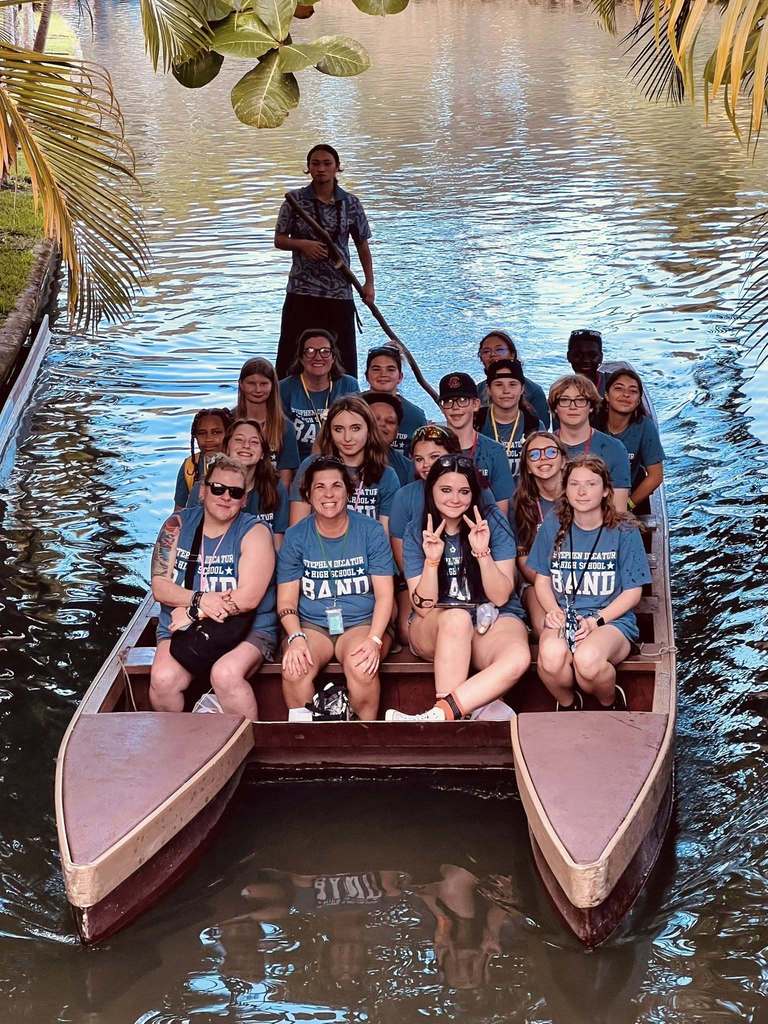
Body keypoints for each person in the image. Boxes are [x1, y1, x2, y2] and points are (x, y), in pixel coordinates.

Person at [386, 454, 530, 722]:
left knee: (518, 657)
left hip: (491, 619)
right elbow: (423, 605)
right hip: (438, 625)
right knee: (457, 617)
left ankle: (440, 716)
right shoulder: (419, 529)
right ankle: (475, 709)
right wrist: (432, 560)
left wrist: (482, 552)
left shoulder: (493, 524)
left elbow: (500, 596)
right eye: (446, 490)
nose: (455, 499)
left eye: (464, 491)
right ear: (431, 490)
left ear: (474, 493)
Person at [150, 455, 277, 719]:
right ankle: (182, 746)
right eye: (218, 489)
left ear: (244, 500)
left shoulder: (255, 532)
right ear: (203, 491)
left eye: (235, 492)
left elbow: (249, 598)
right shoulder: (176, 525)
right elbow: (160, 587)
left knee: (225, 675)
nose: (225, 497)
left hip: (246, 627)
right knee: (163, 680)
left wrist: (196, 610)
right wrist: (200, 600)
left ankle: (246, 748)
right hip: (181, 626)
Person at [527, 455, 651, 711]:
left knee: (588, 661)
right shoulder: (553, 524)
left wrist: (597, 621)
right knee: (549, 658)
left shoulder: (624, 530)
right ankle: (571, 704)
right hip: (567, 615)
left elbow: (632, 592)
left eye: (591, 484)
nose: (582, 492)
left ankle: (608, 703)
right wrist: (553, 610)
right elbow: (542, 580)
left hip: (610, 620)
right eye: (574, 484)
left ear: (606, 490)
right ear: (566, 489)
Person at [277, 456, 394, 721]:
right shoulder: (296, 535)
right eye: (320, 487)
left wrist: (375, 640)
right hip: (312, 625)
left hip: (361, 623)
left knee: (361, 665)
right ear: (307, 494)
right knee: (295, 668)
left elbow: (385, 596)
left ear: (348, 492)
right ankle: (306, 742)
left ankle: (363, 739)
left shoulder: (371, 531)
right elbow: (286, 601)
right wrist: (295, 638)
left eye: (336, 486)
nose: (328, 494)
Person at [274, 144, 374, 378]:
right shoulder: (294, 201)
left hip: (339, 291)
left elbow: (362, 244)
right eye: (315, 163)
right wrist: (302, 245)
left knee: (342, 356)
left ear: (337, 168)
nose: (321, 169)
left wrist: (369, 283)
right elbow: (279, 239)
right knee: (292, 353)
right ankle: (284, 404)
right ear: (308, 168)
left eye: (327, 163)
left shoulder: (351, 203)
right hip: (302, 289)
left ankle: (346, 406)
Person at [389, 423, 462, 642]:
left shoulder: (473, 490)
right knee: (404, 630)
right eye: (419, 459)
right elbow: (401, 554)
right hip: (418, 578)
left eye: (434, 456)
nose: (426, 464)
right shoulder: (404, 496)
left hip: (463, 578)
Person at [289, 396, 400, 531]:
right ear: (329, 432)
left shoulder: (387, 475)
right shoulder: (311, 466)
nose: (347, 438)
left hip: (368, 550)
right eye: (338, 429)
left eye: (355, 428)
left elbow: (384, 536)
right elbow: (297, 530)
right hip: (318, 549)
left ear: (369, 429)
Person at [186, 420, 290, 548]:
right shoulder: (204, 488)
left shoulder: (275, 487)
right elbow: (188, 534)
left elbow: (278, 541)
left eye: (254, 442)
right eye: (239, 440)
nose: (246, 445)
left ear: (263, 453)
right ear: (227, 448)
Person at [512, 431, 568, 635]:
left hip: (581, 577)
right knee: (546, 626)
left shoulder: (580, 496)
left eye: (551, 452)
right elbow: (523, 557)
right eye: (534, 454)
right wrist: (548, 584)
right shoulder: (520, 505)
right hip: (536, 580)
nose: (543, 458)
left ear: (563, 460)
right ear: (527, 466)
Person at [438, 372, 515, 516]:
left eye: (462, 400)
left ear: (476, 404)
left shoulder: (495, 451)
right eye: (448, 401)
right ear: (442, 408)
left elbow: (501, 511)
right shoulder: (432, 451)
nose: (455, 407)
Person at [549, 374, 630, 510]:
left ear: (591, 406)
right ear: (555, 408)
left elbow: (619, 511)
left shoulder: (614, 448)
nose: (572, 406)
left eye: (580, 400)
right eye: (564, 400)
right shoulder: (543, 449)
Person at [279, 329, 360, 461]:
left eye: (325, 351)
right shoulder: (284, 388)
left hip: (340, 459)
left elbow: (357, 429)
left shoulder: (348, 385)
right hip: (297, 461)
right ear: (301, 357)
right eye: (310, 351)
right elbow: (282, 438)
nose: (318, 357)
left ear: (333, 357)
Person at [595, 368, 665, 510]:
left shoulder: (645, 426)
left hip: (624, 499)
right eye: (619, 389)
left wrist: (627, 505)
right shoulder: (591, 423)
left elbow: (655, 476)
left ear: (638, 400)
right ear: (607, 396)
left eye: (632, 391)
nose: (625, 394)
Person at [234, 357, 300, 488]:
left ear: (273, 385)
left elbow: (285, 479)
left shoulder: (285, 427)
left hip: (270, 497)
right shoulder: (229, 420)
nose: (258, 390)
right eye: (251, 383)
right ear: (241, 384)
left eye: (264, 384)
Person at [478, 358, 545, 475]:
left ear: (522, 389)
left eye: (512, 384)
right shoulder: (476, 423)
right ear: (488, 389)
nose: (506, 391)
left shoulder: (534, 425)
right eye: (498, 384)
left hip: (523, 493)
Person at [475, 330, 549, 424]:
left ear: (512, 355)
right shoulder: (477, 390)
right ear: (481, 358)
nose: (492, 354)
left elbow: (543, 430)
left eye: (499, 350)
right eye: (486, 351)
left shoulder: (534, 391)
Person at [364, 345, 427, 454]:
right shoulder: (351, 407)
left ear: (400, 377)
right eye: (376, 369)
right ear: (366, 376)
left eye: (390, 369)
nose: (383, 374)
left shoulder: (415, 416)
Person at [173, 407, 232, 510]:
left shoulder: (241, 464)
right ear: (195, 437)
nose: (208, 439)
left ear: (228, 434)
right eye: (202, 433)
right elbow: (178, 512)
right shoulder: (190, 467)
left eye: (216, 432)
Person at [360, 390, 413, 485]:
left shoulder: (408, 468)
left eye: (390, 421)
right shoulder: (341, 461)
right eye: (375, 419)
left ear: (397, 430)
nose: (382, 424)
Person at [566, 328, 607, 396]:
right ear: (569, 356)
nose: (585, 360)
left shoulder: (615, 384)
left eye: (592, 355)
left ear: (601, 357)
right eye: (578, 355)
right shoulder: (562, 389)